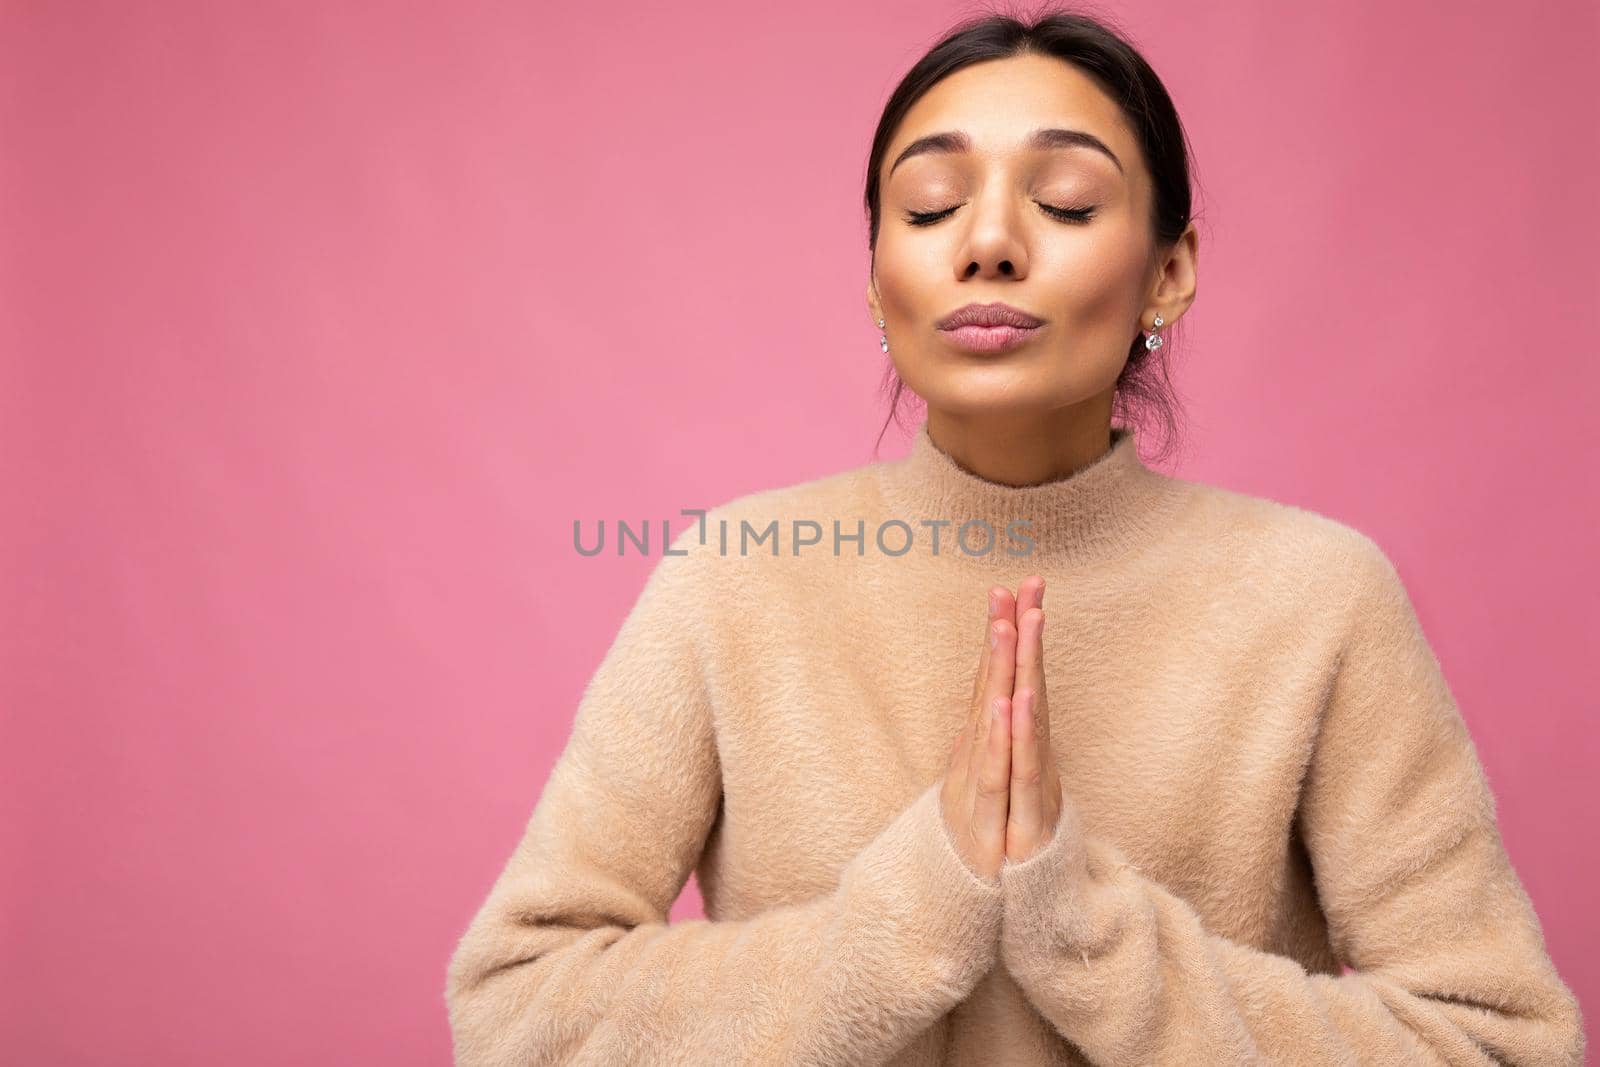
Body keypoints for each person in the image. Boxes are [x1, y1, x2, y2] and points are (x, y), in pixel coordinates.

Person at [444, 11, 1584, 1065]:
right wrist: (899, 924)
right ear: (876, 280)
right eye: (930, 206)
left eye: (1069, 203)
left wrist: (1087, 928)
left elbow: (1496, 1039)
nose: (986, 243)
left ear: (1170, 273)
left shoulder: (1317, 595)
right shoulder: (734, 575)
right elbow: (513, 1003)